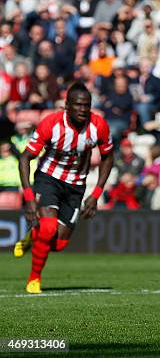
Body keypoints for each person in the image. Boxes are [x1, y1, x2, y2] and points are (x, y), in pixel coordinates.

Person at [13, 83, 114, 294]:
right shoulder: (51, 124)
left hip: (76, 185)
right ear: (66, 106)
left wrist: (96, 194)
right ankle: (34, 279)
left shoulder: (99, 126)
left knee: (57, 245)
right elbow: (25, 158)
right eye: (78, 105)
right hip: (48, 178)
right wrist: (29, 197)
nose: (83, 109)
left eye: (87, 105)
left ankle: (34, 235)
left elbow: (108, 157)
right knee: (49, 229)